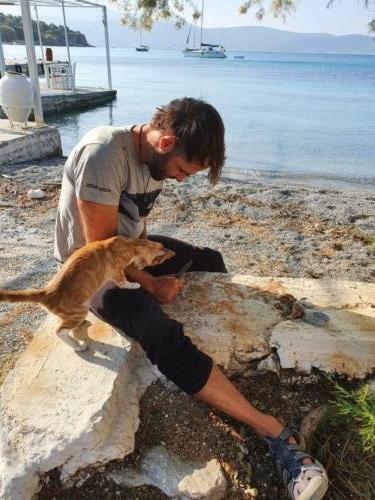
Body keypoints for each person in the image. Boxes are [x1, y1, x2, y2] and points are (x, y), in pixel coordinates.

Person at [54, 97, 328, 500]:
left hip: (127, 250)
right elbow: (101, 248)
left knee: (206, 259)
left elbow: (133, 229)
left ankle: (222, 355)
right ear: (165, 142)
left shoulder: (153, 158)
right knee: (153, 324)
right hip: (87, 270)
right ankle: (271, 430)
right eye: (184, 170)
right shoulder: (103, 153)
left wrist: (152, 258)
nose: (181, 180)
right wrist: (152, 284)